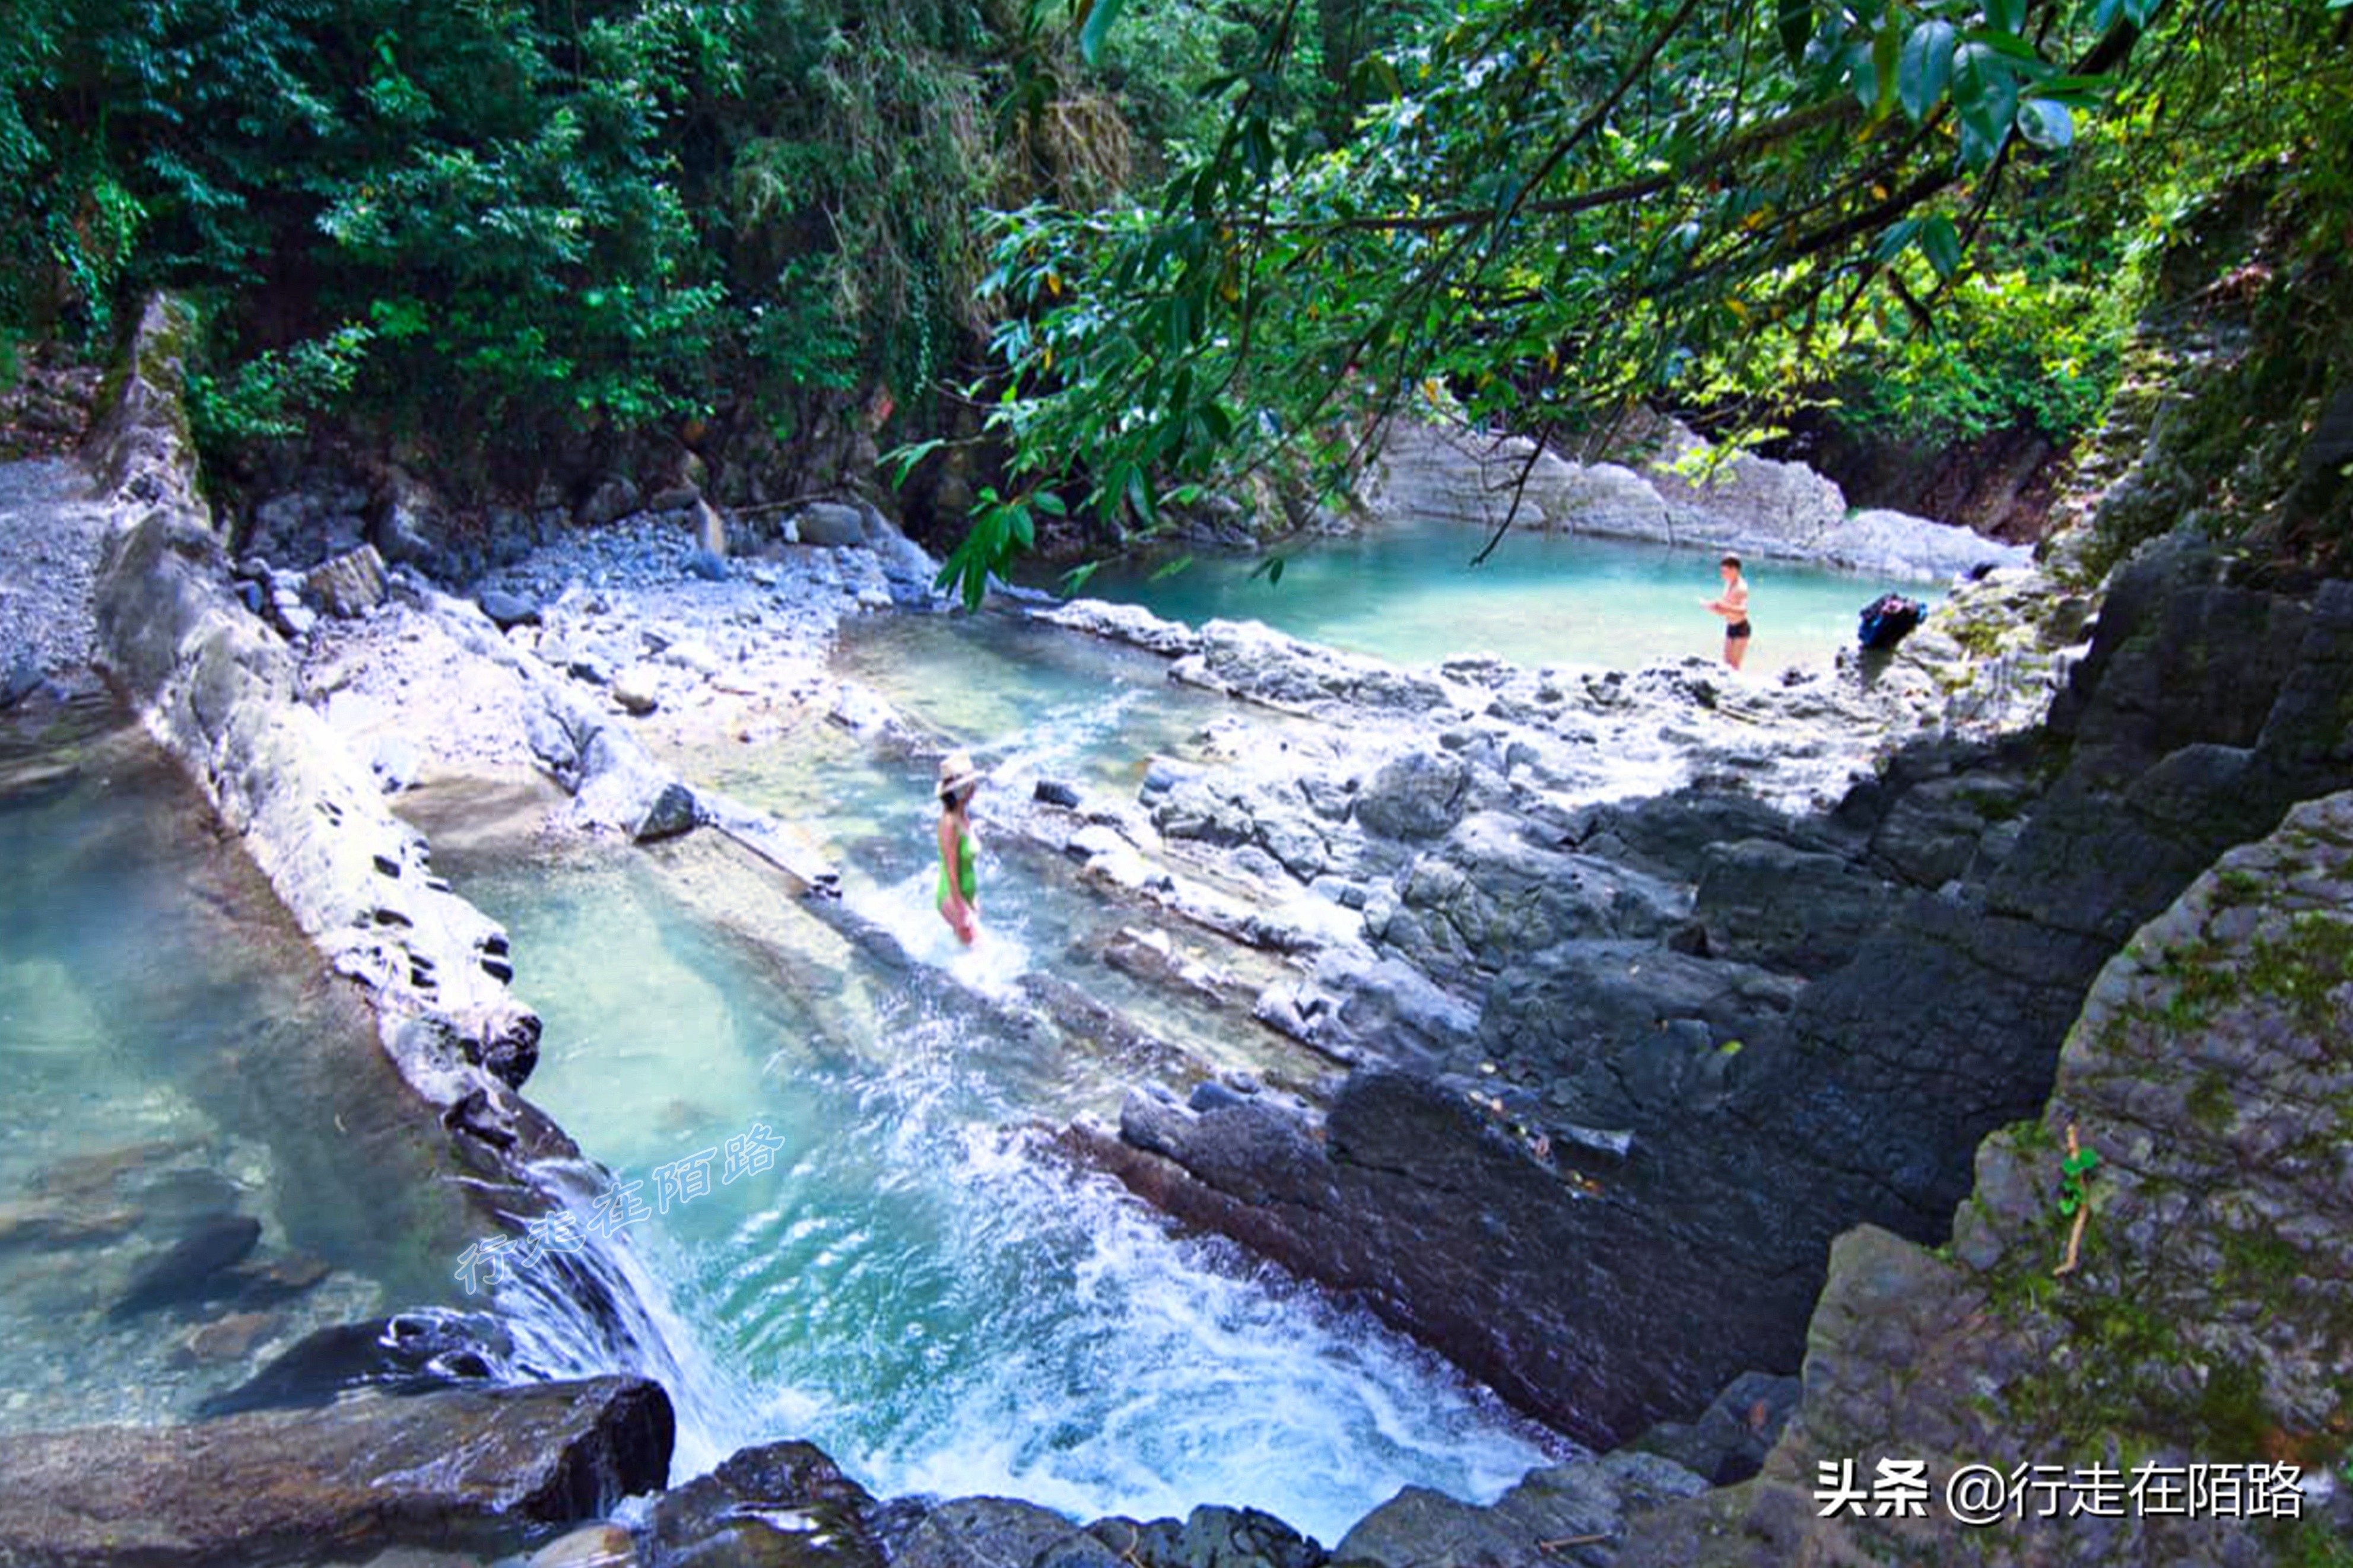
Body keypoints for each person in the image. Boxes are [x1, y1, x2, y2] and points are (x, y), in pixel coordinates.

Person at [935, 750, 984, 946]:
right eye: (971, 785)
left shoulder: (963, 817)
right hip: (952, 896)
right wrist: (961, 908)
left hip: (964, 895)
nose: (975, 788)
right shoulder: (949, 823)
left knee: (968, 954)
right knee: (981, 951)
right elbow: (951, 868)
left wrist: (972, 900)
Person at [1703, 554, 1752, 670]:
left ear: (1734, 570)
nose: (1722, 575)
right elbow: (1726, 609)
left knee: (1734, 668)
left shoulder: (1741, 587)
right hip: (1731, 626)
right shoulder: (1729, 584)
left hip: (1741, 628)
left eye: (1725, 572)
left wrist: (1723, 607)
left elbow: (1743, 610)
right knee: (1726, 667)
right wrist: (1713, 607)